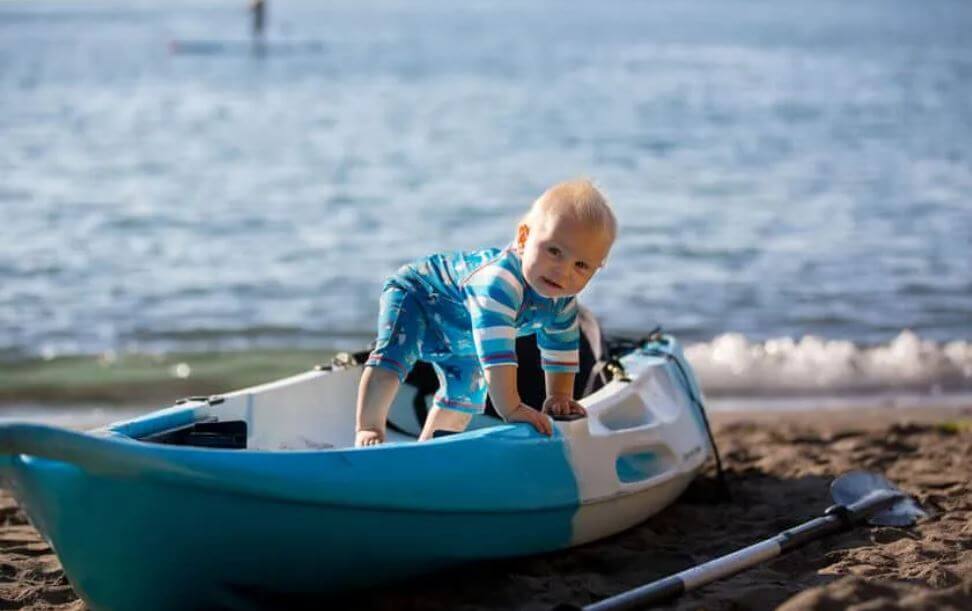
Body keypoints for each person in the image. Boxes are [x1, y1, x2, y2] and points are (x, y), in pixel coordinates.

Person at [354, 179, 617, 447]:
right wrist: (512, 408)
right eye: (554, 251)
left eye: (581, 265)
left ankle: (429, 448)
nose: (563, 271)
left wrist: (559, 396)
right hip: (419, 296)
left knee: (467, 392)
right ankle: (369, 427)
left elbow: (560, 348)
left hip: (463, 332)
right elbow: (497, 356)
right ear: (524, 238)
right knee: (395, 356)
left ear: (596, 269)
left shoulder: (562, 301)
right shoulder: (500, 284)